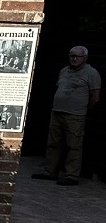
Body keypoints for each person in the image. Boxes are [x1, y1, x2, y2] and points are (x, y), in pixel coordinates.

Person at [33, 45, 101, 186]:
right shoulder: (64, 71)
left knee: (74, 146)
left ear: (85, 58)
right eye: (72, 56)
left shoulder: (91, 73)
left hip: (75, 115)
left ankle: (72, 176)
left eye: (78, 56)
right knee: (53, 144)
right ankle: (49, 172)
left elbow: (95, 97)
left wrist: (84, 110)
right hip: (57, 112)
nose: (74, 58)